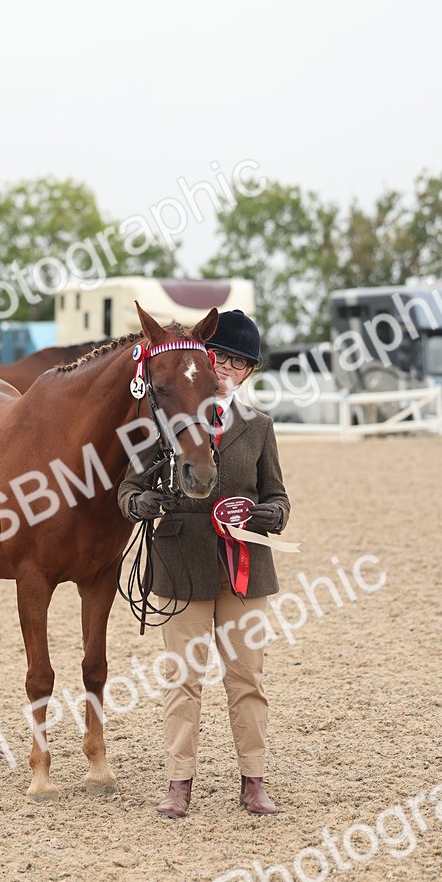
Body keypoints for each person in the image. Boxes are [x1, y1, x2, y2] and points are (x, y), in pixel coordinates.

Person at [118, 309, 291, 818]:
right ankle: (179, 783)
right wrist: (139, 504)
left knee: (246, 678)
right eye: (220, 357)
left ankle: (254, 780)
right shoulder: (162, 420)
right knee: (183, 680)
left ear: (249, 373)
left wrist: (269, 515)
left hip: (244, 568)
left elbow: (279, 497)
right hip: (180, 565)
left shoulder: (258, 428)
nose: (226, 369)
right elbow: (128, 489)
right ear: (203, 358)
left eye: (239, 363)